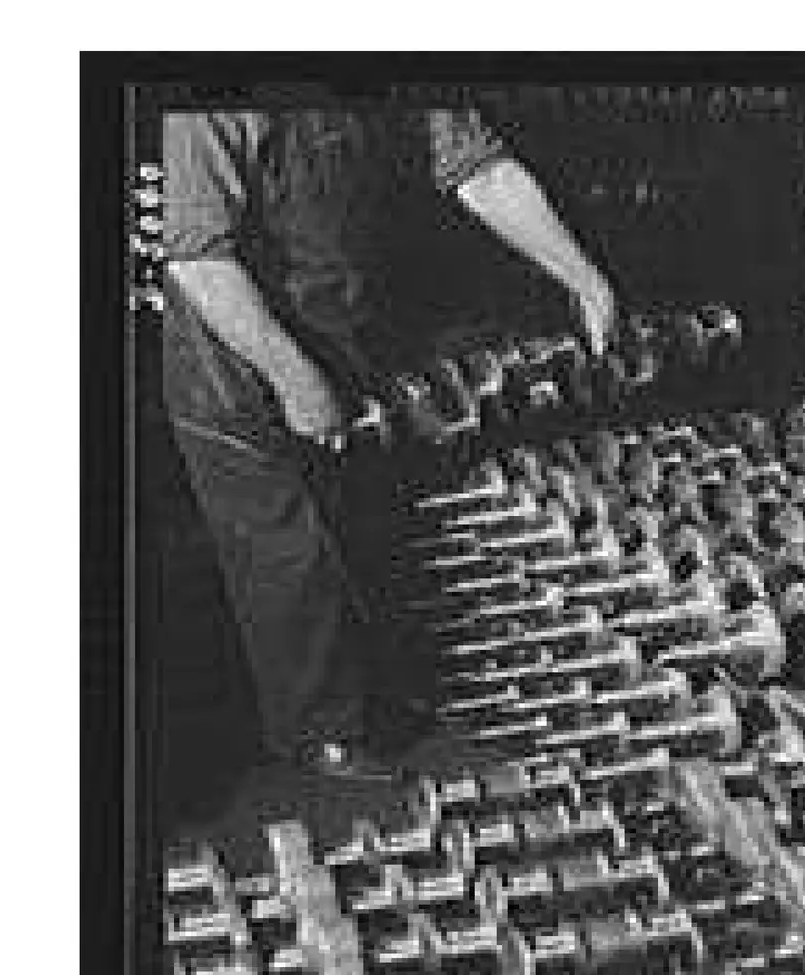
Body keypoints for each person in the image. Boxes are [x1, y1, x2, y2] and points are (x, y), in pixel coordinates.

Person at [161, 101, 619, 778]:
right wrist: (293, 377)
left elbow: (482, 170)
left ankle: (379, 690)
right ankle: (322, 732)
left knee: (358, 513)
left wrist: (583, 277)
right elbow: (200, 262)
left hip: (332, 317)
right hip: (230, 350)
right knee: (288, 542)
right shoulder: (211, 108)